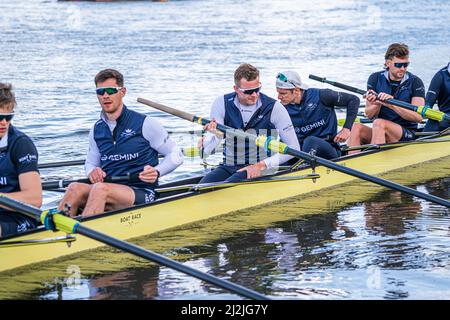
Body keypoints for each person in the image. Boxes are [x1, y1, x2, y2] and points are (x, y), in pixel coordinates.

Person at [58, 69, 183, 217]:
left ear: (122, 92)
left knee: (99, 189)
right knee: (74, 188)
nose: (105, 96)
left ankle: (83, 236)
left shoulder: (145, 123)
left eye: (111, 90)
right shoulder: (96, 130)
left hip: (141, 192)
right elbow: (90, 163)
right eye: (100, 92)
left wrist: (157, 172)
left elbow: (176, 154)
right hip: (107, 189)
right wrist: (92, 172)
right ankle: (56, 233)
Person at [199, 63, 300, 183]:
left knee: (225, 188)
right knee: (201, 187)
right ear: (236, 89)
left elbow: (294, 149)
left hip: (261, 168)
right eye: (249, 91)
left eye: (258, 89)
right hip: (229, 166)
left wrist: (260, 166)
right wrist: (215, 136)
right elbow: (206, 152)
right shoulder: (221, 103)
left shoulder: (274, 107)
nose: (255, 95)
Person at [347, 43, 426, 150]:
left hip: (405, 132)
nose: (403, 68)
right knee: (355, 127)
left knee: (379, 123)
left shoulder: (415, 82)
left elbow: (418, 117)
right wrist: (378, 104)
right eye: (398, 65)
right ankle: (353, 162)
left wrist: (391, 104)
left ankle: (375, 161)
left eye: (406, 65)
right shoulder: (375, 78)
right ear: (388, 63)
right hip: (379, 129)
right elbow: (369, 115)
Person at [276, 71, 360, 160]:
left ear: (296, 90)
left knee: (310, 140)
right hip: (301, 152)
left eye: (283, 93)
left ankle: (303, 167)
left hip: (327, 150)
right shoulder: (282, 109)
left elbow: (353, 100)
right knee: (282, 148)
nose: (279, 97)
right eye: (278, 92)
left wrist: (346, 129)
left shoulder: (322, 95)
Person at [0, 83, 42, 238]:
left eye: (8, 116)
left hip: (19, 217)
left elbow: (35, 198)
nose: (4, 122)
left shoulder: (21, 144)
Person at [423, 62, 450, 132]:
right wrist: (427, 106)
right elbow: (429, 102)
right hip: (446, 117)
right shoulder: (440, 76)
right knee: (433, 121)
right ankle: (423, 141)